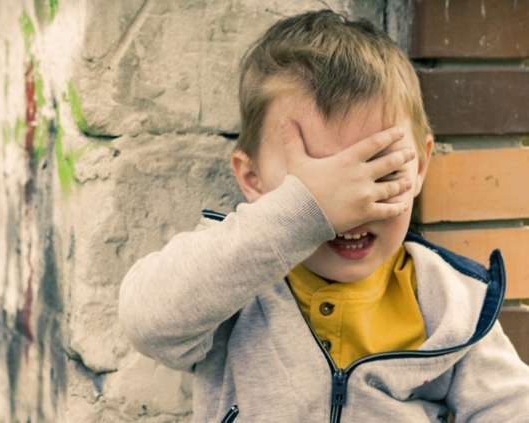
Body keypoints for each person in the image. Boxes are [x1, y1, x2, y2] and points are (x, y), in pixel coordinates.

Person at [118, 10, 529, 423]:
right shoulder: (235, 275)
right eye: (315, 182)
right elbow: (147, 323)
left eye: (379, 172)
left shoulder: (451, 301)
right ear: (253, 178)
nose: (348, 208)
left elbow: (510, 407)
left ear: (420, 166)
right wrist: (302, 212)